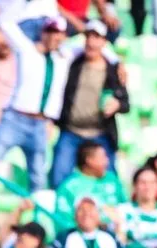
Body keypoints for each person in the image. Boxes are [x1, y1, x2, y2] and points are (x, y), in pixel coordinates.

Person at [0, 14, 86, 208]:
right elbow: (6, 21)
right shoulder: (27, 50)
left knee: (37, 176)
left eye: (58, 33)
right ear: (43, 33)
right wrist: (37, 14)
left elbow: (94, 43)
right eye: (50, 32)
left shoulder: (65, 55)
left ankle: (36, 217)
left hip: (41, 123)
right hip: (16, 118)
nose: (54, 37)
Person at [50, 20, 127, 189]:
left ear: (104, 42)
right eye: (88, 36)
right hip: (72, 130)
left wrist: (117, 105)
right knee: (58, 176)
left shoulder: (113, 71)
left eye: (96, 37)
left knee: (110, 179)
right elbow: (63, 49)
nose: (91, 42)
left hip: (99, 133)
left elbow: (126, 103)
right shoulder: (74, 62)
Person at [54, 141, 126, 231]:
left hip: (118, 234)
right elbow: (63, 221)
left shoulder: (112, 179)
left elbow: (126, 207)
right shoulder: (69, 186)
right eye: (103, 157)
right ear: (89, 160)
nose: (107, 161)